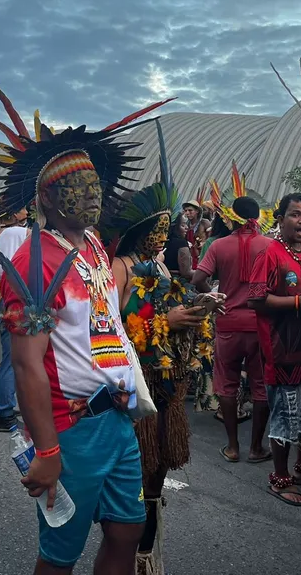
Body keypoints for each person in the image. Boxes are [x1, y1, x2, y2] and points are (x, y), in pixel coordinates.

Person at [0, 76, 167, 574]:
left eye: (93, 185)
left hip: (114, 419)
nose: (90, 196)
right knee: (60, 555)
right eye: (74, 187)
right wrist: (46, 449)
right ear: (46, 200)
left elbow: (106, 321)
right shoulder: (32, 263)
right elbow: (26, 366)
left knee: (128, 531)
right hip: (71, 428)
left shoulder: (92, 247)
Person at [104, 124, 209, 575]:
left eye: (171, 232)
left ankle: (146, 552)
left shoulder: (163, 268)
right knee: (141, 466)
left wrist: (198, 310)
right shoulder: (118, 267)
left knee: (161, 465)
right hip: (137, 378)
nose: (166, 239)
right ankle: (128, 550)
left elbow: (172, 308)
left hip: (170, 379)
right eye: (160, 232)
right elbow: (108, 326)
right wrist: (166, 321)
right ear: (142, 232)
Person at [248, 193, 301, 506]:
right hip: (280, 351)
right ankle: (280, 478)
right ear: (280, 219)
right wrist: (299, 302)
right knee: (285, 415)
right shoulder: (269, 252)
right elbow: (256, 300)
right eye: (295, 215)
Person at [193, 196, 273, 463]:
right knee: (260, 386)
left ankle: (232, 446)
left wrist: (215, 298)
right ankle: (256, 448)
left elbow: (198, 279)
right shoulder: (270, 246)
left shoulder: (219, 245)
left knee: (227, 384)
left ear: (232, 217)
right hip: (260, 324)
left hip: (227, 323)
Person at [0, 217, 30, 432]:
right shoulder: (24, 234)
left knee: (8, 355)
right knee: (13, 359)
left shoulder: (3, 234)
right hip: (17, 295)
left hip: (4, 293)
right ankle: (5, 413)